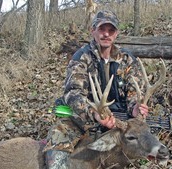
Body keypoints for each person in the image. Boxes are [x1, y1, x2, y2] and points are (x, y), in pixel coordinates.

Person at [44, 10, 149, 169]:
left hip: (119, 120)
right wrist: (93, 113)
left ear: (116, 34)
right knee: (58, 142)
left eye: (111, 30)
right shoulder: (81, 57)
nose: (106, 34)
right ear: (93, 30)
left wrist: (134, 108)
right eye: (102, 29)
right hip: (85, 118)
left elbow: (134, 90)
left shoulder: (126, 59)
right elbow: (73, 93)